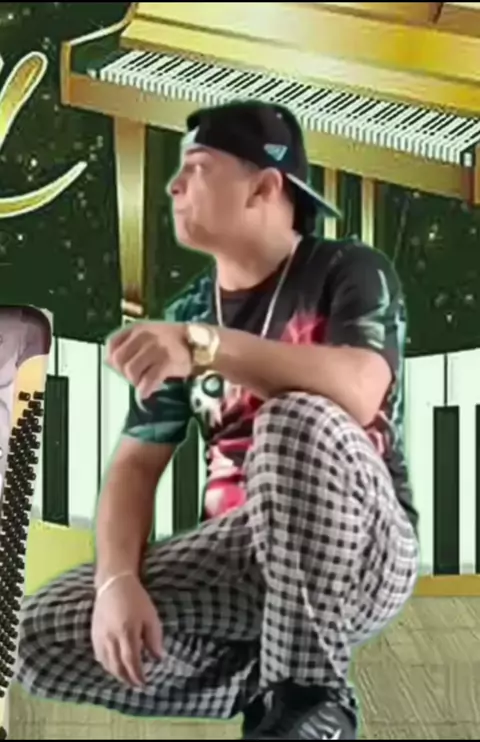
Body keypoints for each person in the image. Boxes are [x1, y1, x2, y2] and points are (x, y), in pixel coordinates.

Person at [15, 101, 419, 740]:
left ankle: (311, 699)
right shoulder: (190, 309)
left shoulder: (348, 269)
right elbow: (134, 466)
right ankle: (273, 688)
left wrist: (204, 347)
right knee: (41, 634)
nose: (174, 186)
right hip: (245, 554)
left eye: (198, 168)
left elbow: (360, 390)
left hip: (362, 547)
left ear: (264, 187)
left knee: (292, 421)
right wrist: (117, 581)